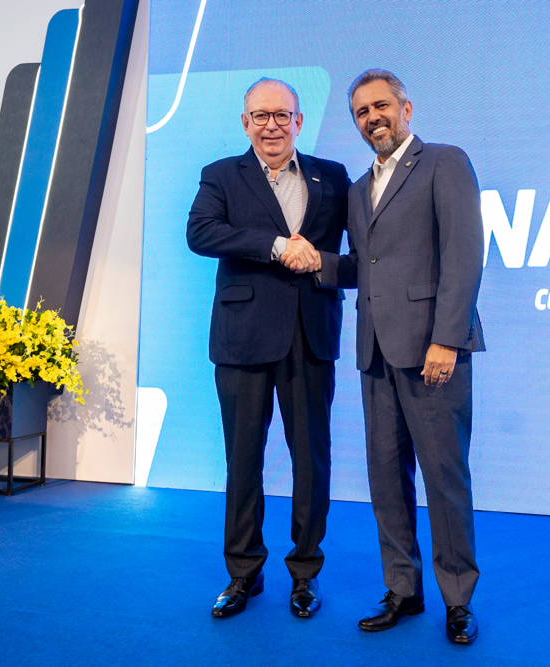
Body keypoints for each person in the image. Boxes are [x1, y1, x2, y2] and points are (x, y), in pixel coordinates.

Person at [285, 69, 484, 644]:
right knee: (386, 480)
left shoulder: (444, 162)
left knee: (444, 479)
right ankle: (403, 589)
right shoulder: (356, 190)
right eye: (361, 112)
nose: (373, 118)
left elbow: (464, 254)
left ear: (406, 108)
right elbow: (364, 268)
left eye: (381, 106)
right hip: (374, 352)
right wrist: (316, 261)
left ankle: (458, 600)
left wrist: (447, 339)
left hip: (432, 352)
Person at [186, 77, 349, 620]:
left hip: (311, 335)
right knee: (243, 459)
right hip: (242, 338)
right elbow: (200, 233)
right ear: (245, 122)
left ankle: (305, 573)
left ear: (299, 121)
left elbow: (362, 252)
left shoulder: (333, 176)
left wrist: (322, 261)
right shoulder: (220, 175)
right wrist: (278, 246)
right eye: (260, 115)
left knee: (312, 460)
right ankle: (243, 574)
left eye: (282, 115)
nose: (271, 125)